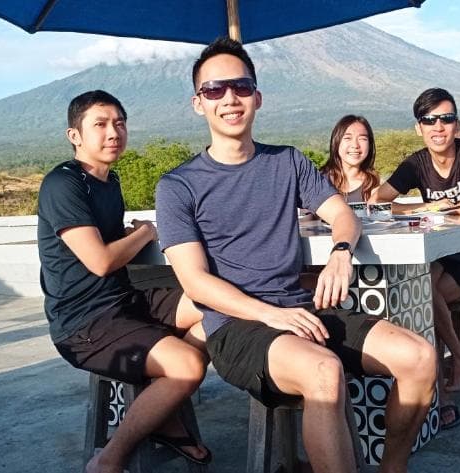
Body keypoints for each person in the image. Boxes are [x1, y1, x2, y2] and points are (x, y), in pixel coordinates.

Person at [156, 38, 436, 473]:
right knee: (324, 372)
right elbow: (194, 282)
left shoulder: (288, 162)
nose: (229, 98)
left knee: (419, 357)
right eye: (214, 90)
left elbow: (342, 214)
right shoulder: (178, 186)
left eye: (241, 86)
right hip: (237, 329)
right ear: (198, 103)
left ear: (258, 97)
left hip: (300, 312)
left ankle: (392, 468)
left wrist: (342, 251)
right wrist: (271, 315)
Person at [37, 90, 211, 473]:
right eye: (100, 124)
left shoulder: (108, 181)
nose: (113, 132)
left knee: (214, 307)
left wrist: (131, 234)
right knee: (186, 366)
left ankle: (160, 406)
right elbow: (99, 261)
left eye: (119, 123)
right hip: (83, 323)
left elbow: (109, 246)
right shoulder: (62, 185)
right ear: (74, 135)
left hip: (122, 302)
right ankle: (109, 459)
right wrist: (145, 233)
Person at [373, 87, 460, 429]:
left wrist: (440, 210)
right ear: (419, 127)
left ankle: (450, 364)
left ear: (457, 124)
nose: (438, 126)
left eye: (446, 119)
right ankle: (445, 367)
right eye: (429, 120)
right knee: (416, 288)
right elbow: (378, 201)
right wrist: (426, 207)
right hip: (441, 255)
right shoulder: (416, 163)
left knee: (417, 298)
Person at [321, 114, 381, 203]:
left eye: (362, 139)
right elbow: (307, 215)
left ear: (370, 144)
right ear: (336, 142)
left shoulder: (373, 183)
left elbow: (383, 205)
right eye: (348, 138)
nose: (355, 145)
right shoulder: (320, 181)